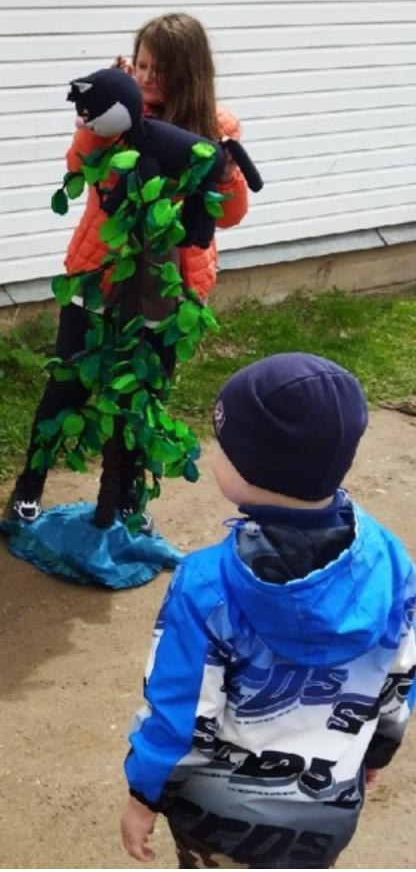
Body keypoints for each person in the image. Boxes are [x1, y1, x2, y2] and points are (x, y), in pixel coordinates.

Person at [121, 353, 415, 868]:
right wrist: (377, 752)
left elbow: (182, 712)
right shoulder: (391, 561)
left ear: (254, 470)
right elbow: (400, 675)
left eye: (223, 445)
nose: (213, 453)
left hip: (218, 818)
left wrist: (144, 795)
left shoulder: (208, 585)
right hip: (327, 812)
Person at [1, 13, 251, 530]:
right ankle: (29, 486)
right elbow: (80, 170)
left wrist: (226, 177)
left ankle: (123, 501)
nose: (146, 77)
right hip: (100, 275)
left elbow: (227, 216)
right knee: (68, 382)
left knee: (143, 396)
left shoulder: (218, 127)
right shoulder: (119, 116)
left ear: (190, 72)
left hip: (169, 287)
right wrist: (99, 115)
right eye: (140, 65)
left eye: (159, 69)